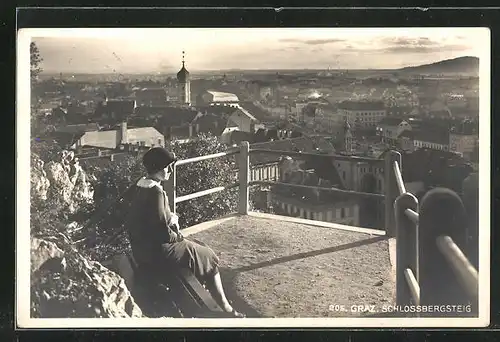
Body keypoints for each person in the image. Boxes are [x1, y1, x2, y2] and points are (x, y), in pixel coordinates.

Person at [124, 147, 244, 318]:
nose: (171, 170)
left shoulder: (141, 186)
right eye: (167, 167)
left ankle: (218, 300)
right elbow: (163, 234)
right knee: (208, 255)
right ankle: (225, 307)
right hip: (160, 252)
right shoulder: (156, 192)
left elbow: (146, 220)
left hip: (142, 250)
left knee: (198, 248)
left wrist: (169, 218)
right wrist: (178, 234)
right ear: (157, 167)